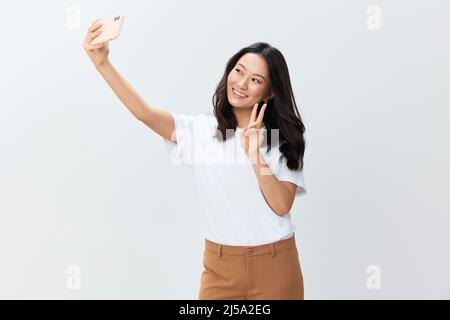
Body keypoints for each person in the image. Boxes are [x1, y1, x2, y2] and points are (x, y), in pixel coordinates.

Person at [83, 19, 307, 300]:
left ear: (270, 92)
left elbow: (281, 204)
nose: (241, 83)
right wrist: (102, 63)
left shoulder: (282, 138)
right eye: (238, 71)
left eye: (256, 80)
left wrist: (255, 155)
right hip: (220, 269)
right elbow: (145, 114)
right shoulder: (202, 132)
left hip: (276, 267)